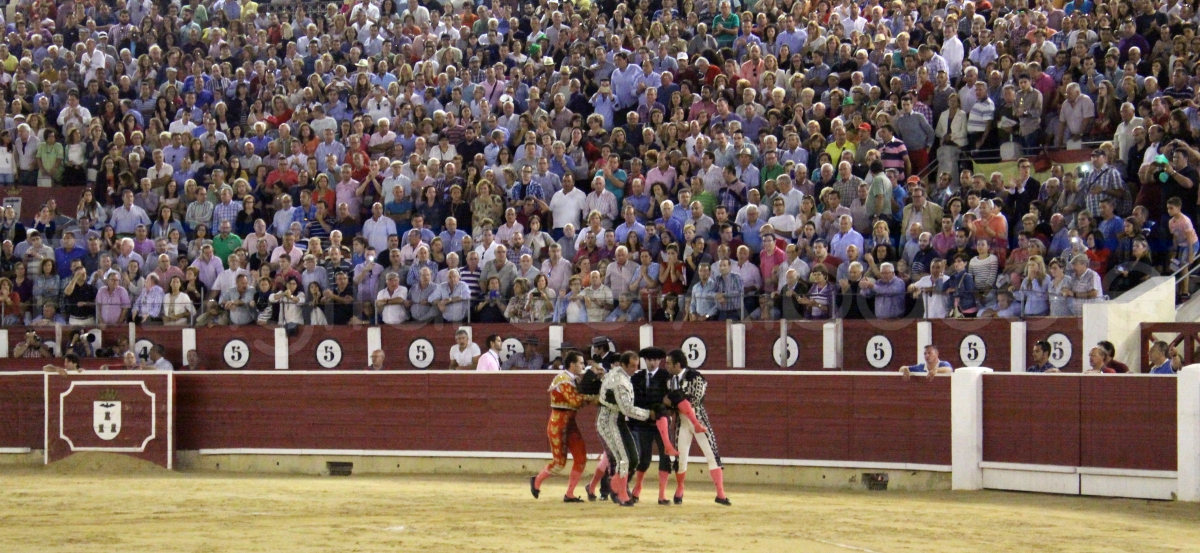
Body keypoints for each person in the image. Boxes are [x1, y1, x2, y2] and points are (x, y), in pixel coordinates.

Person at [529, 351, 599, 503]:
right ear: (572, 364)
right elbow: (575, 401)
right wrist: (595, 398)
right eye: (581, 363)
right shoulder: (563, 380)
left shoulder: (573, 379)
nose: (583, 366)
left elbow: (580, 396)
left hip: (570, 424)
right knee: (559, 463)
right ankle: (537, 481)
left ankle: (570, 493)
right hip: (558, 425)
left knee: (580, 458)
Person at [663, 348, 728, 506]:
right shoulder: (669, 380)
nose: (666, 366)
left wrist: (674, 401)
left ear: (678, 364)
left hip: (699, 418)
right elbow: (667, 402)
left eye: (669, 363)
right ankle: (680, 489)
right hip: (681, 422)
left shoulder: (695, 377)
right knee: (681, 458)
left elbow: (695, 399)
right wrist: (676, 402)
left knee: (711, 454)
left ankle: (720, 494)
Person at [595, 350, 652, 506]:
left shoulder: (620, 375)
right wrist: (648, 414)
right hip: (608, 422)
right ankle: (622, 495)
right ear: (623, 365)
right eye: (632, 366)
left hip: (619, 421)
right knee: (624, 459)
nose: (635, 369)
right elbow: (627, 408)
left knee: (633, 459)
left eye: (637, 366)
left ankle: (615, 483)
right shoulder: (619, 381)